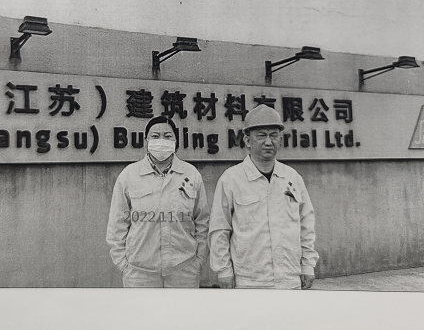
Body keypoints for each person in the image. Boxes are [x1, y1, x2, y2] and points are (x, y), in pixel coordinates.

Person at [209, 104, 318, 289]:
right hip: (249, 281)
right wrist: (224, 270)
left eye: (273, 135)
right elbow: (219, 229)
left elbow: (306, 224)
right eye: (261, 135)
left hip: (289, 277)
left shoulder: (292, 178)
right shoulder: (231, 179)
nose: (268, 142)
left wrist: (308, 265)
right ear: (247, 140)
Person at [106, 116, 209, 287]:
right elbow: (117, 224)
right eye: (155, 136)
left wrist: (198, 260)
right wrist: (123, 264)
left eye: (168, 136)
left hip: (184, 271)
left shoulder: (191, 175)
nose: (161, 141)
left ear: (176, 141)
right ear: (145, 141)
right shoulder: (129, 176)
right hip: (139, 273)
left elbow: (202, 221)